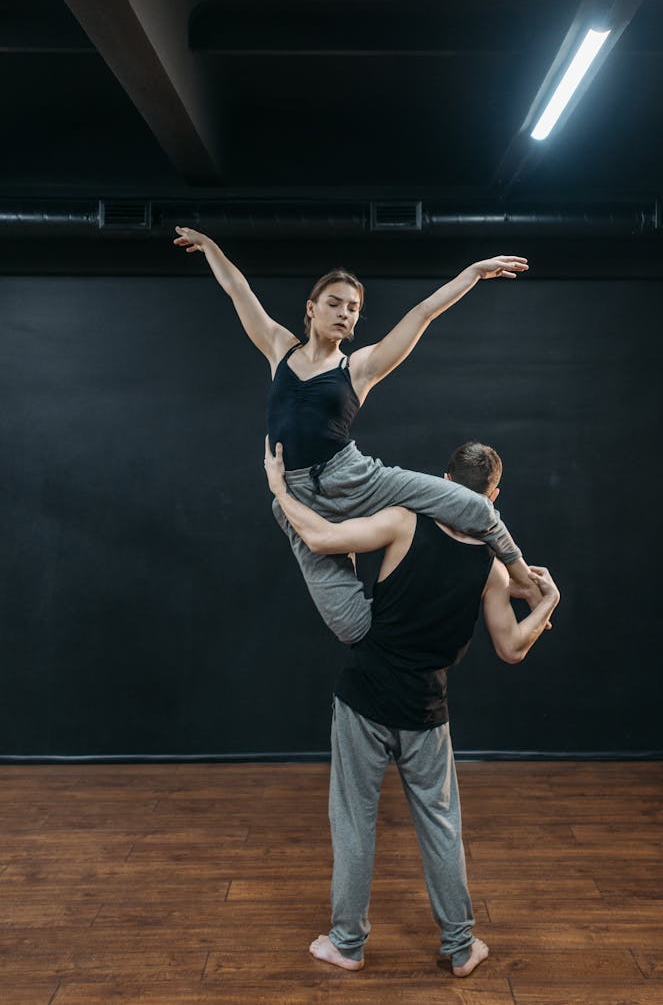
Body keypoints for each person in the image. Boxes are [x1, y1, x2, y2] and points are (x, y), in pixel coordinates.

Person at [264, 436, 560, 977]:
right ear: (495, 496)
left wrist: (280, 488)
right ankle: (461, 945)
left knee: (354, 823)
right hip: (427, 708)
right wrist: (548, 603)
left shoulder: (403, 520)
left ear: (444, 484)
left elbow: (320, 536)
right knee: (441, 826)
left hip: (364, 697)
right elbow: (512, 649)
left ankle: (347, 944)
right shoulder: (494, 570)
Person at [174, 227, 543, 641]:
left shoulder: (360, 367)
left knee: (471, 506)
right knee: (352, 629)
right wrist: (211, 248)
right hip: (297, 497)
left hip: (354, 479)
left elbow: (421, 313)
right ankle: (415, 628)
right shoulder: (280, 348)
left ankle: (520, 576)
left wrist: (472, 274)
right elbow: (238, 289)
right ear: (311, 308)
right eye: (334, 303)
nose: (344, 313)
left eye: (352, 307)